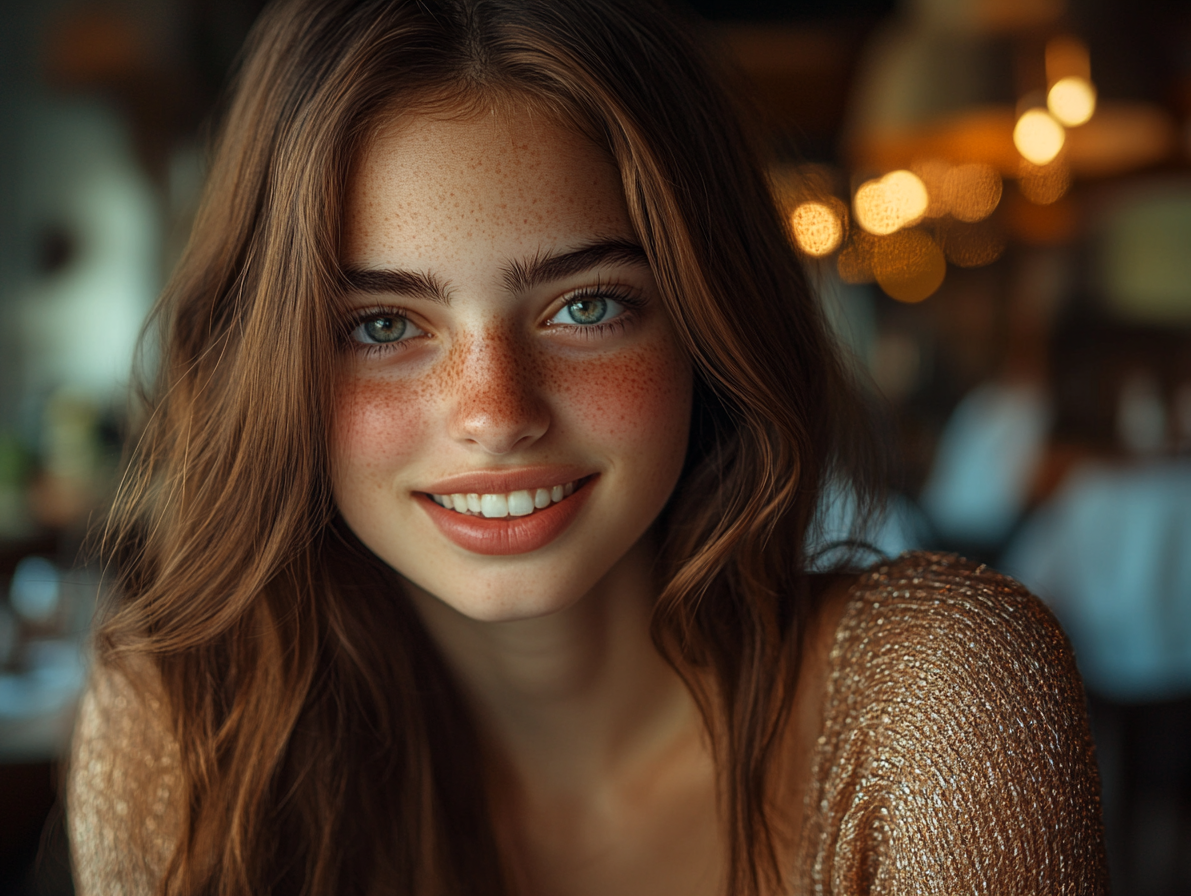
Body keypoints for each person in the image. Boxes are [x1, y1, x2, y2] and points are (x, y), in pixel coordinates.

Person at [66, 1, 1107, 893]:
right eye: (381, 324)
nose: (495, 411)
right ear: (273, 364)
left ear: (708, 321)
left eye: (588, 304)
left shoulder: (935, 700)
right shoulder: (179, 739)